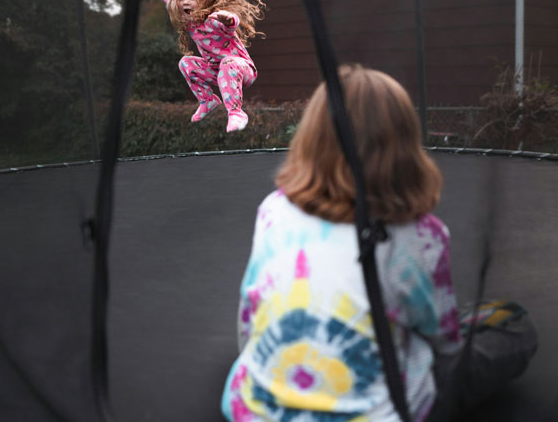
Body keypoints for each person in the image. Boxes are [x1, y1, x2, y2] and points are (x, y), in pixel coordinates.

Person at [221, 64, 537, 422]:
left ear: (311, 139)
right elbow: (444, 341)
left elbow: (249, 314)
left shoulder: (274, 209)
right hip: (379, 413)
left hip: (256, 410)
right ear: (403, 147)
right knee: (515, 329)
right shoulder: (420, 235)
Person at [146, 0, 266, 132]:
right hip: (217, 72)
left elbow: (232, 23)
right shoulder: (188, 20)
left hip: (243, 70)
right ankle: (207, 100)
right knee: (185, 63)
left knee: (227, 62)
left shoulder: (214, 20)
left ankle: (236, 113)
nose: (185, 2)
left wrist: (227, 18)